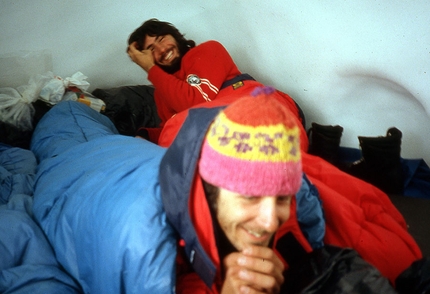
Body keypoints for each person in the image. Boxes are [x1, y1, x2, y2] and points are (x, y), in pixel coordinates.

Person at [159, 86, 419, 293]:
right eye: (250, 195)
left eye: (282, 197)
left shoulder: (303, 192)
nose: (271, 221)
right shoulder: (160, 237)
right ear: (211, 190)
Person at [127, 19, 305, 145]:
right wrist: (146, 135)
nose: (162, 49)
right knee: (173, 136)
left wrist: (150, 68)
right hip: (225, 130)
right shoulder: (162, 90)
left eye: (162, 39)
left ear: (174, 35)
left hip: (260, 105)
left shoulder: (206, 50)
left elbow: (196, 101)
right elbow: (170, 128)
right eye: (151, 50)